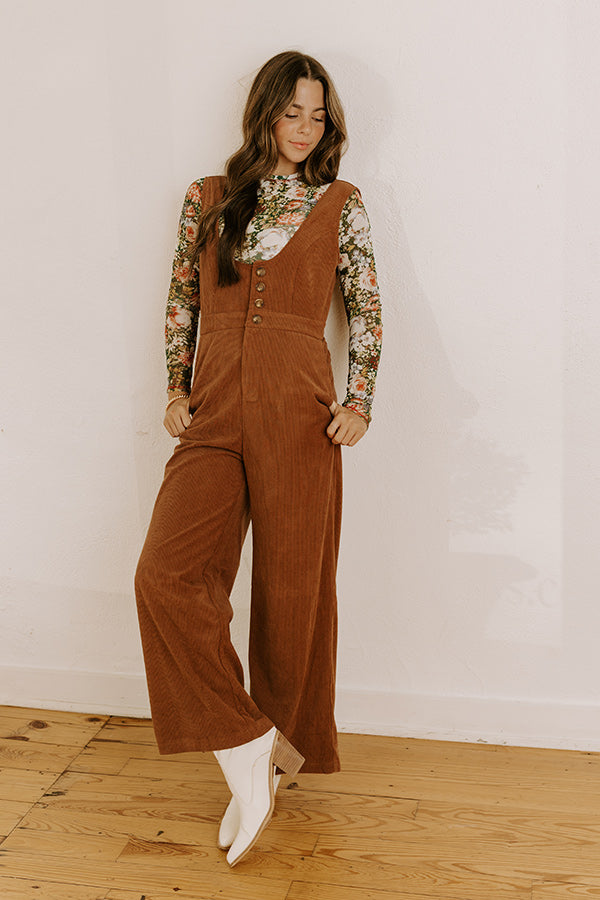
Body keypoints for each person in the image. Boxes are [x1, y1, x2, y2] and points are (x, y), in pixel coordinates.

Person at [134, 50, 383, 867]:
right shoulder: (208, 198)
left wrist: (359, 401)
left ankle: (270, 767)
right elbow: (183, 298)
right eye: (291, 113)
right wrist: (175, 388)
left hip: (300, 412)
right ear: (264, 114)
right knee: (166, 576)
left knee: (293, 590)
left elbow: (367, 307)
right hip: (214, 407)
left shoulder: (340, 203)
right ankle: (245, 741)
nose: (305, 129)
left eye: (318, 115)